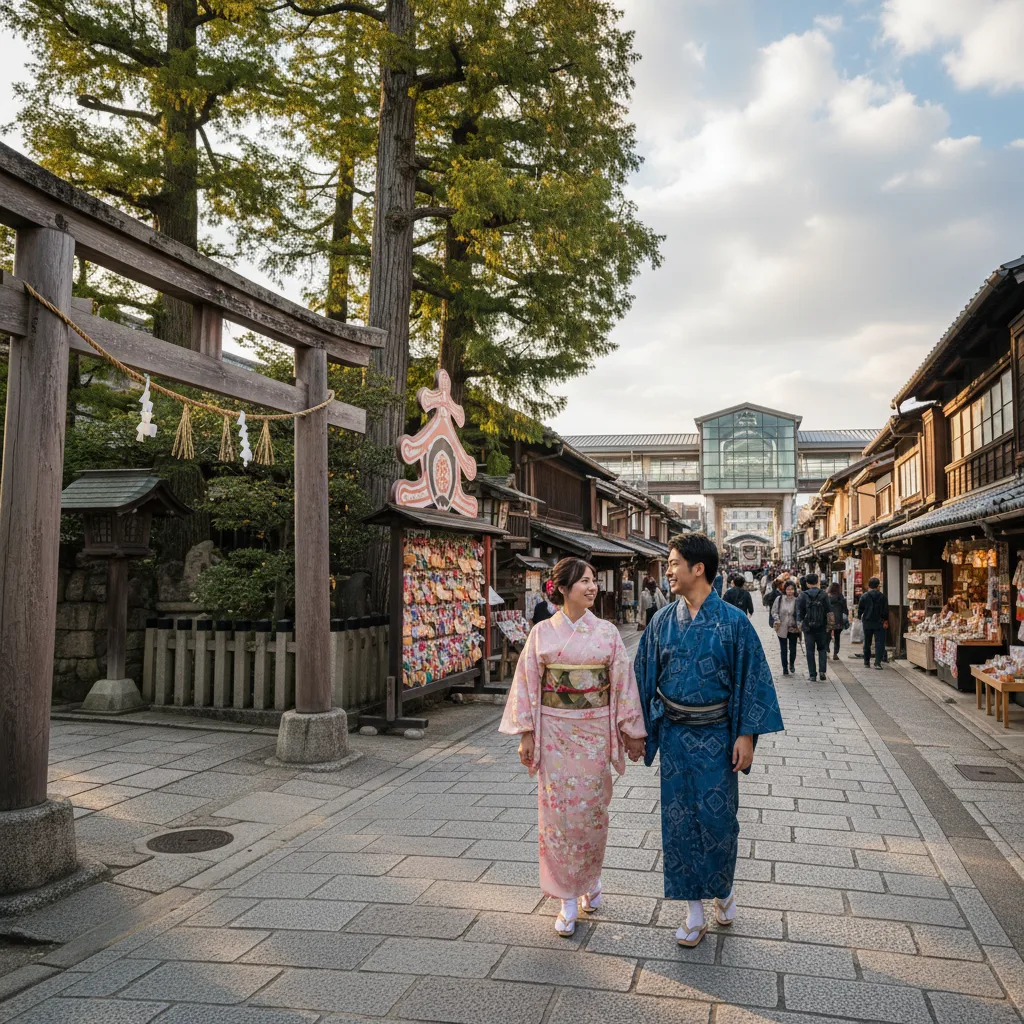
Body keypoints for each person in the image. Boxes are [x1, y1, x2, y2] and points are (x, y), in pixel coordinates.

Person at [634, 533, 784, 948]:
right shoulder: (662, 621)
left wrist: (747, 734)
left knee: (719, 822)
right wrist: (637, 731)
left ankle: (724, 888)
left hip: (718, 738)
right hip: (677, 739)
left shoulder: (734, 622)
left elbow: (753, 681)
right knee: (678, 824)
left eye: (673, 562)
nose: (668, 570)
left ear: (698, 568)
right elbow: (642, 679)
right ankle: (694, 912)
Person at [500, 557, 646, 937]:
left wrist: (631, 731)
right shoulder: (542, 634)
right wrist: (526, 733)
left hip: (594, 733)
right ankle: (566, 897)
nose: (592, 586)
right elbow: (528, 684)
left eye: (594, 580)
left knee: (592, 813)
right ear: (562, 588)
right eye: (583, 581)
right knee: (557, 816)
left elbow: (622, 684)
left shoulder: (608, 634)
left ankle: (590, 880)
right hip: (555, 734)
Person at [796, 573, 831, 681]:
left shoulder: (803, 595)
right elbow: (829, 611)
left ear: (807, 583)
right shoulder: (824, 594)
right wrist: (830, 626)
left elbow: (799, 612)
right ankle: (822, 671)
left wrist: (799, 625)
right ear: (817, 582)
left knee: (810, 651)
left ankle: (812, 674)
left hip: (808, 628)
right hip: (822, 627)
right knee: (822, 649)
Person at [858, 576, 889, 670]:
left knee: (867, 642)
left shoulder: (864, 596)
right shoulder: (883, 597)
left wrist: (860, 617)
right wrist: (885, 620)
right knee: (879, 642)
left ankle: (866, 662)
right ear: (878, 586)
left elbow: (860, 609)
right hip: (879, 622)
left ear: (869, 585)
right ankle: (877, 663)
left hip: (867, 622)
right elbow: (885, 611)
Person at [772, 579, 799, 675]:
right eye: (788, 589)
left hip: (793, 627)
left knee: (793, 648)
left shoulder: (797, 600)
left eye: (792, 589)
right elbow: (774, 611)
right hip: (781, 627)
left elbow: (800, 613)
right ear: (785, 590)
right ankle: (784, 668)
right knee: (783, 649)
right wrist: (777, 619)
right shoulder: (779, 599)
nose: (790, 591)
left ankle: (791, 663)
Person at [827, 582, 849, 661]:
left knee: (828, 635)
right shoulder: (840, 597)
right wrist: (846, 616)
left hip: (829, 617)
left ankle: (827, 650)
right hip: (839, 618)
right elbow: (845, 608)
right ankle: (835, 653)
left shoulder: (827, 597)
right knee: (837, 637)